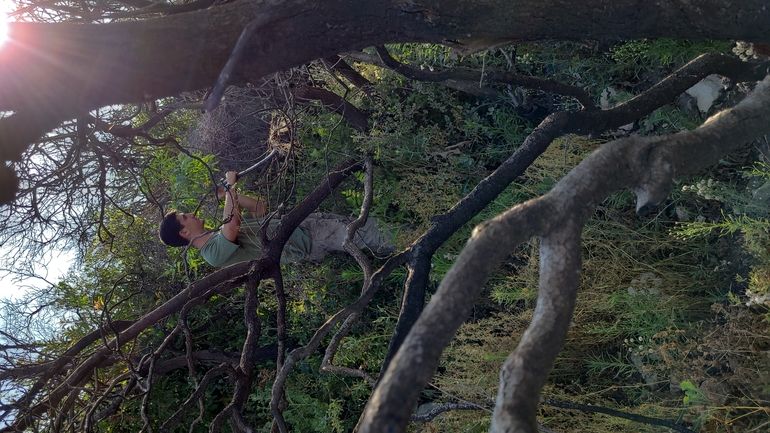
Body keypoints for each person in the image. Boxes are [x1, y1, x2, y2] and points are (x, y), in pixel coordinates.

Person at [158, 171, 394, 267]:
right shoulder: (212, 253)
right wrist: (230, 186)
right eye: (184, 217)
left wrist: (233, 195)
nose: (190, 214)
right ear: (184, 233)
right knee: (371, 234)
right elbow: (233, 225)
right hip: (308, 240)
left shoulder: (220, 231)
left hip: (307, 224)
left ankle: (414, 232)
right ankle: (419, 238)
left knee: (367, 227)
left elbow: (260, 208)